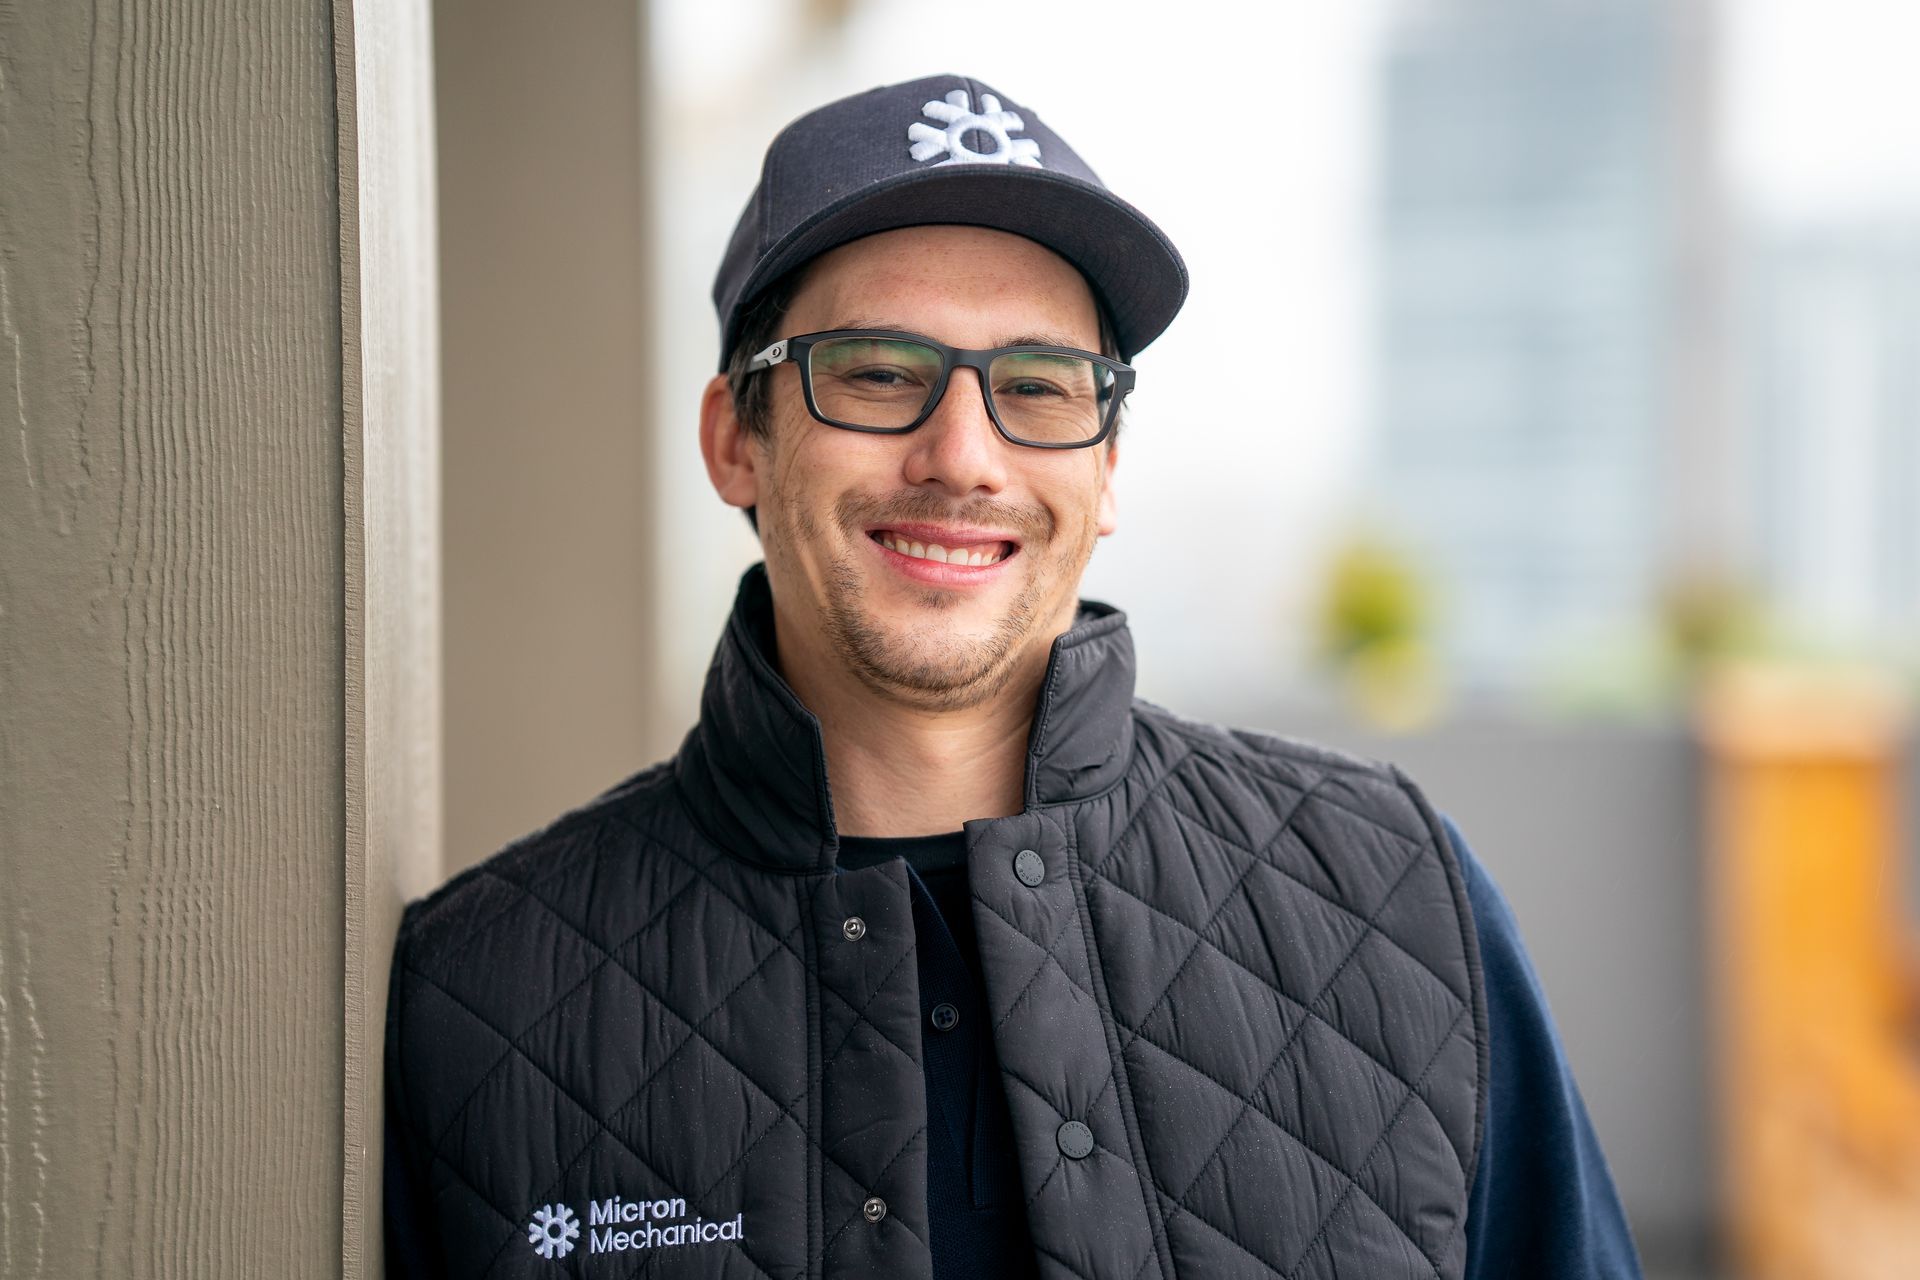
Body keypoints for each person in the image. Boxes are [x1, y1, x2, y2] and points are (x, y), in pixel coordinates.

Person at [384, 73, 1642, 1279]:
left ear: (1105, 475)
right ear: (736, 440)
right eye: (879, 371)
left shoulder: (1397, 898)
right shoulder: (481, 996)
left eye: (1038, 387)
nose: (964, 455)